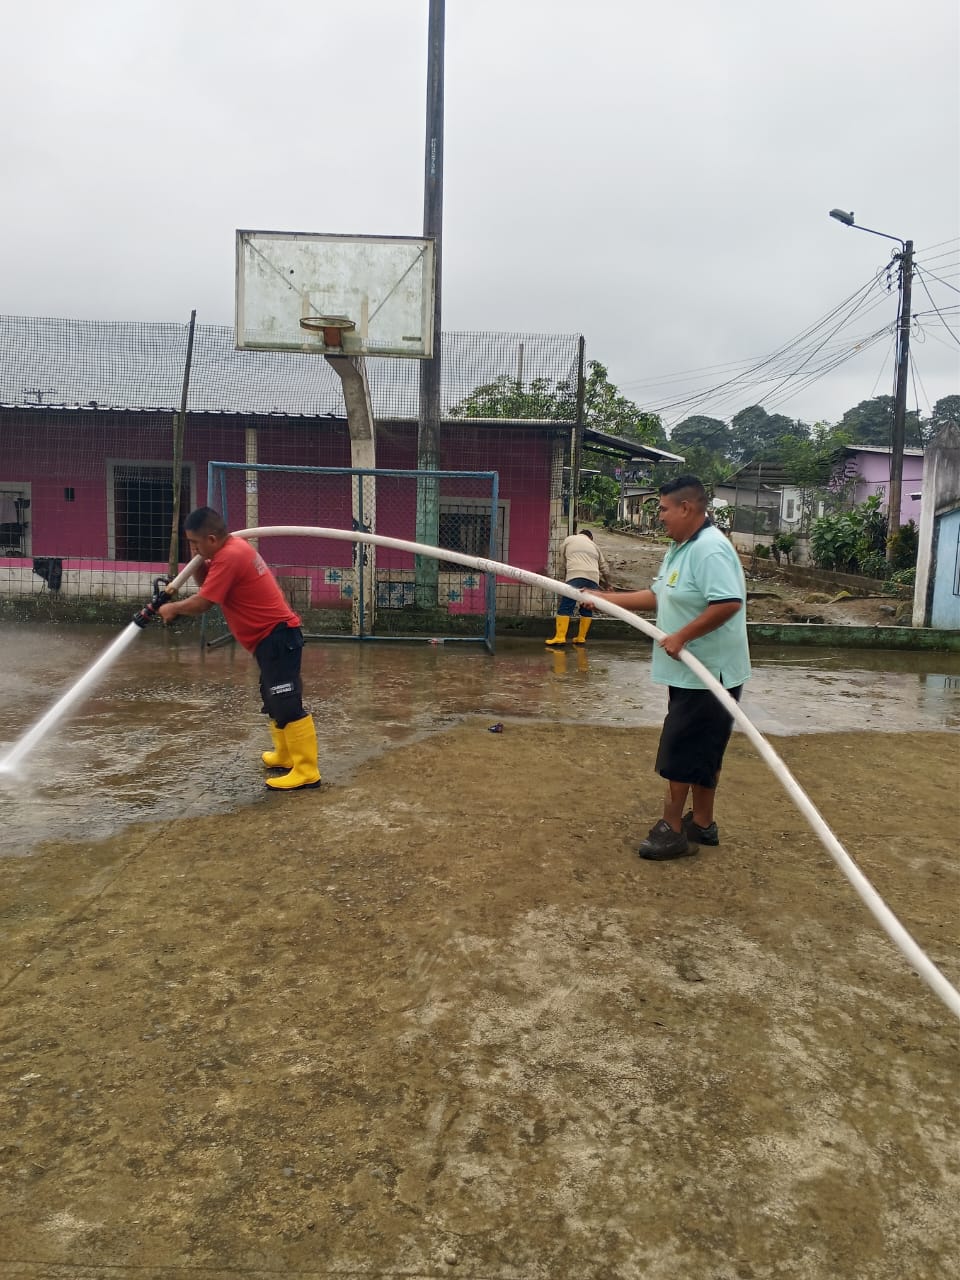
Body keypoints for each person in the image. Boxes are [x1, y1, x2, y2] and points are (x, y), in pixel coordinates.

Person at [588, 475, 751, 860]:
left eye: (663, 509)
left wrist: (682, 637)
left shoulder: (709, 549)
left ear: (686, 508)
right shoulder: (680, 548)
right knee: (704, 748)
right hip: (690, 674)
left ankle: (672, 830)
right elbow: (657, 595)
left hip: (709, 673)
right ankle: (703, 823)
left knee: (681, 749)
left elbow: (728, 602)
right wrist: (603, 598)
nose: (659, 516)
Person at [157, 507, 321, 792]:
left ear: (211, 539)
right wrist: (199, 563)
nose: (193, 548)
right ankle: (285, 755)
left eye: (195, 543)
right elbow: (211, 587)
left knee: (285, 700)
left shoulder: (231, 555)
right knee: (272, 697)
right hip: (268, 640)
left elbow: (205, 601)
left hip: (278, 637)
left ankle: (307, 771)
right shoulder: (227, 551)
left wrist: (173, 608)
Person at [545, 526, 610, 647]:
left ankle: (560, 637)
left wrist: (564, 576)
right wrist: (607, 583)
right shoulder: (594, 546)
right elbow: (604, 567)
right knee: (587, 606)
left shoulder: (569, 539)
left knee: (567, 605)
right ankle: (581, 638)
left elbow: (563, 559)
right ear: (590, 538)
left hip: (575, 574)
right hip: (593, 578)